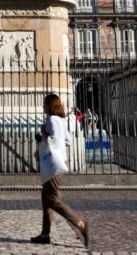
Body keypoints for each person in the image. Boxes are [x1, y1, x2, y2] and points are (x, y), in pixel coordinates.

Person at [31, 93, 89, 248]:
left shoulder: (51, 120)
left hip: (53, 164)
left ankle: (80, 224)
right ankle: (45, 234)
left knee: (52, 200)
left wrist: (43, 136)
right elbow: (68, 141)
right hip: (61, 161)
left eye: (44, 104)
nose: (42, 107)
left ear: (50, 105)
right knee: (46, 197)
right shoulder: (61, 121)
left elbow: (54, 140)